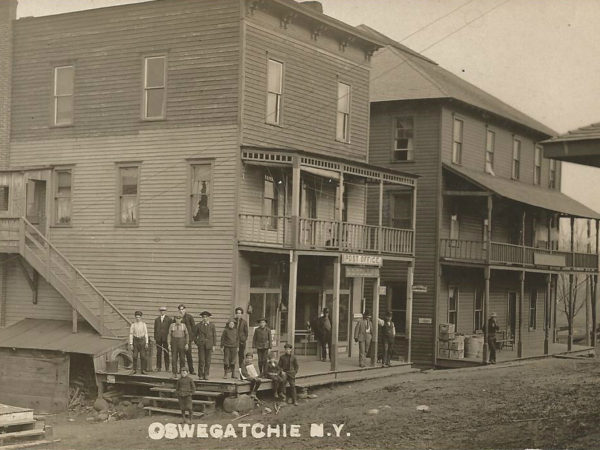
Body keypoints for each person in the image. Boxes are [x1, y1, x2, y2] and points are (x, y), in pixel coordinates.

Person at [195, 311, 216, 380]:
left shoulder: (212, 325)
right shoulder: (198, 325)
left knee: (208, 361)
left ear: (209, 317)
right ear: (202, 318)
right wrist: (197, 342)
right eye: (203, 317)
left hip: (209, 345)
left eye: (206, 317)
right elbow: (194, 336)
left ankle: (206, 374)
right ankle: (200, 375)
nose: (205, 318)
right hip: (201, 345)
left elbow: (214, 336)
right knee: (201, 360)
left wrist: (214, 345)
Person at [154, 306, 172, 372]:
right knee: (158, 353)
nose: (162, 312)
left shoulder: (169, 319)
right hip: (158, 338)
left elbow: (170, 330)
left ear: (165, 311)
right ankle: (158, 367)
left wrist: (169, 339)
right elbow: (155, 329)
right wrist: (155, 337)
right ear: (159, 311)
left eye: (163, 311)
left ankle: (167, 368)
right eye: (161, 311)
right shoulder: (157, 320)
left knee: (166, 353)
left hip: (166, 338)